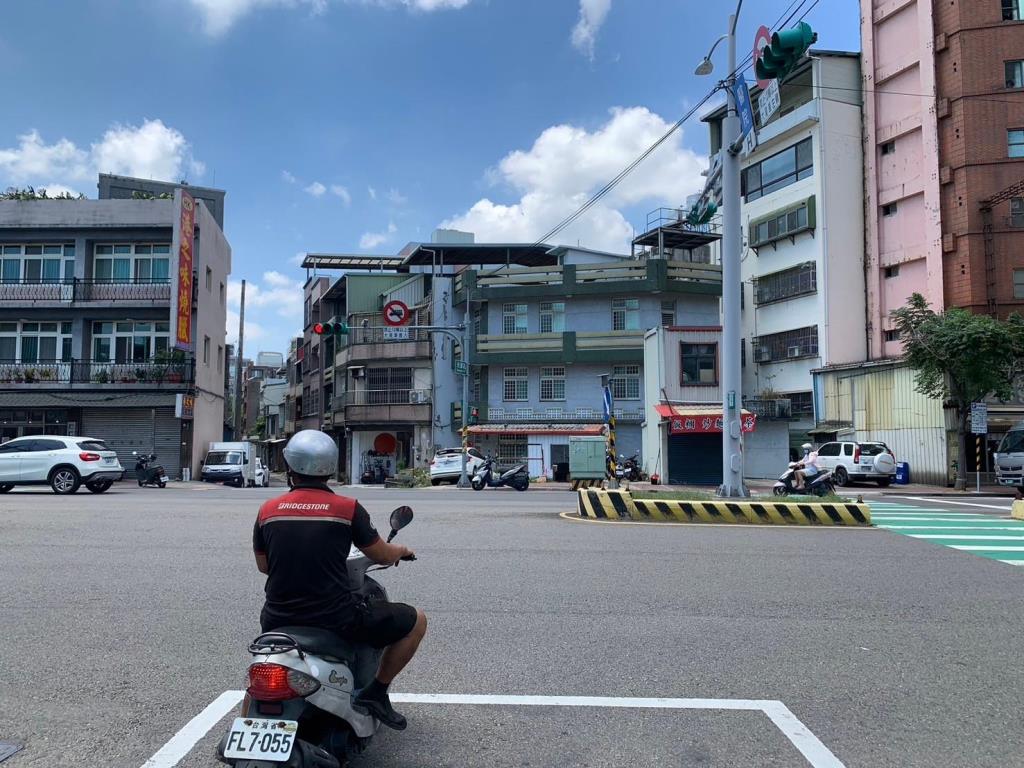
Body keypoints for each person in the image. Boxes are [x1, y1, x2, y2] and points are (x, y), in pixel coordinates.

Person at [252, 429, 427, 731]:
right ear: (330, 467)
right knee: (417, 620)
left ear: (290, 466)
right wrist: (402, 550)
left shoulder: (267, 511)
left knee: (258, 675)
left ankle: (247, 722)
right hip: (335, 619)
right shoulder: (347, 509)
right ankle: (376, 693)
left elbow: (264, 566)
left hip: (276, 619)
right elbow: (382, 555)